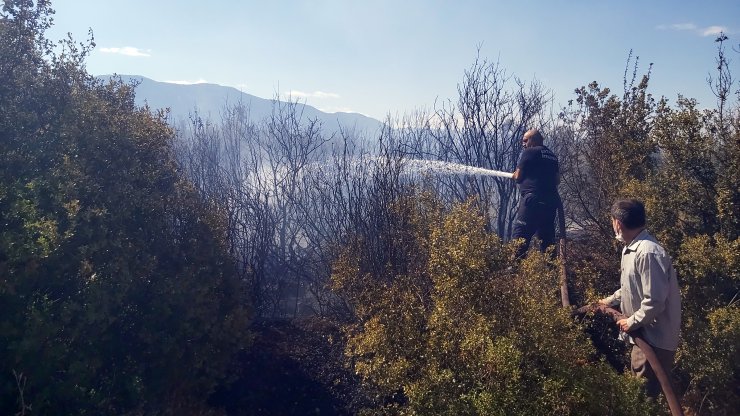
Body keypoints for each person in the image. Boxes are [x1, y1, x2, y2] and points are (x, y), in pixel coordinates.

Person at [599, 199, 681, 399]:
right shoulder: (632, 248)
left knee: (643, 398)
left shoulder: (647, 252)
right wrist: (609, 301)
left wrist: (631, 321)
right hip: (645, 336)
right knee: (641, 392)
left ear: (618, 223)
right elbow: (630, 287)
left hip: (653, 340)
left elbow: (654, 301)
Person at [511, 128, 561, 259]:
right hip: (550, 204)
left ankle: (514, 272)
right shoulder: (552, 156)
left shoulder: (530, 152)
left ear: (533, 140)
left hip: (532, 201)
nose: (523, 144)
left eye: (525, 140)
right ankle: (551, 272)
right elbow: (557, 180)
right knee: (547, 241)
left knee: (520, 238)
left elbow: (518, 177)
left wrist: (516, 175)